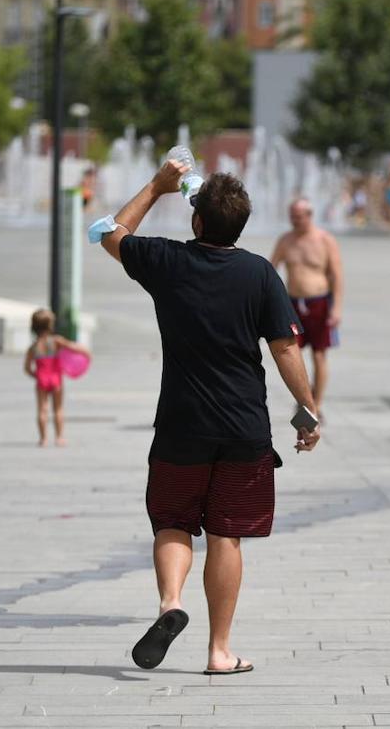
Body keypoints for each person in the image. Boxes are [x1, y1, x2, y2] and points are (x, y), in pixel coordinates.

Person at [94, 160, 320, 677]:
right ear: (240, 226)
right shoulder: (260, 272)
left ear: (196, 221)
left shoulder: (166, 260)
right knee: (227, 535)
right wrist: (307, 413)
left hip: (180, 424)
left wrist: (157, 185)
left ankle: (171, 604)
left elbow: (112, 233)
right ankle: (220, 651)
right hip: (244, 429)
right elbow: (285, 349)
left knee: (173, 521)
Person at [271, 198, 344, 419]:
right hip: (293, 304)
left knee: (319, 355)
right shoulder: (286, 240)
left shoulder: (325, 240)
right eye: (292, 216)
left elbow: (337, 276)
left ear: (309, 216)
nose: (295, 221)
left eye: (299, 217)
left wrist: (337, 308)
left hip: (319, 302)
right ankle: (304, 400)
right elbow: (271, 270)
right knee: (292, 354)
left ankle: (317, 405)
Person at [23, 309, 91, 447]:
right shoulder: (56, 341)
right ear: (50, 325)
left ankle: (43, 439)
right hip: (55, 379)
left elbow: (27, 368)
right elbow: (73, 347)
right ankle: (59, 438)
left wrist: (36, 376)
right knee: (58, 409)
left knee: (42, 409)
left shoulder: (33, 347)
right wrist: (86, 353)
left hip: (42, 379)